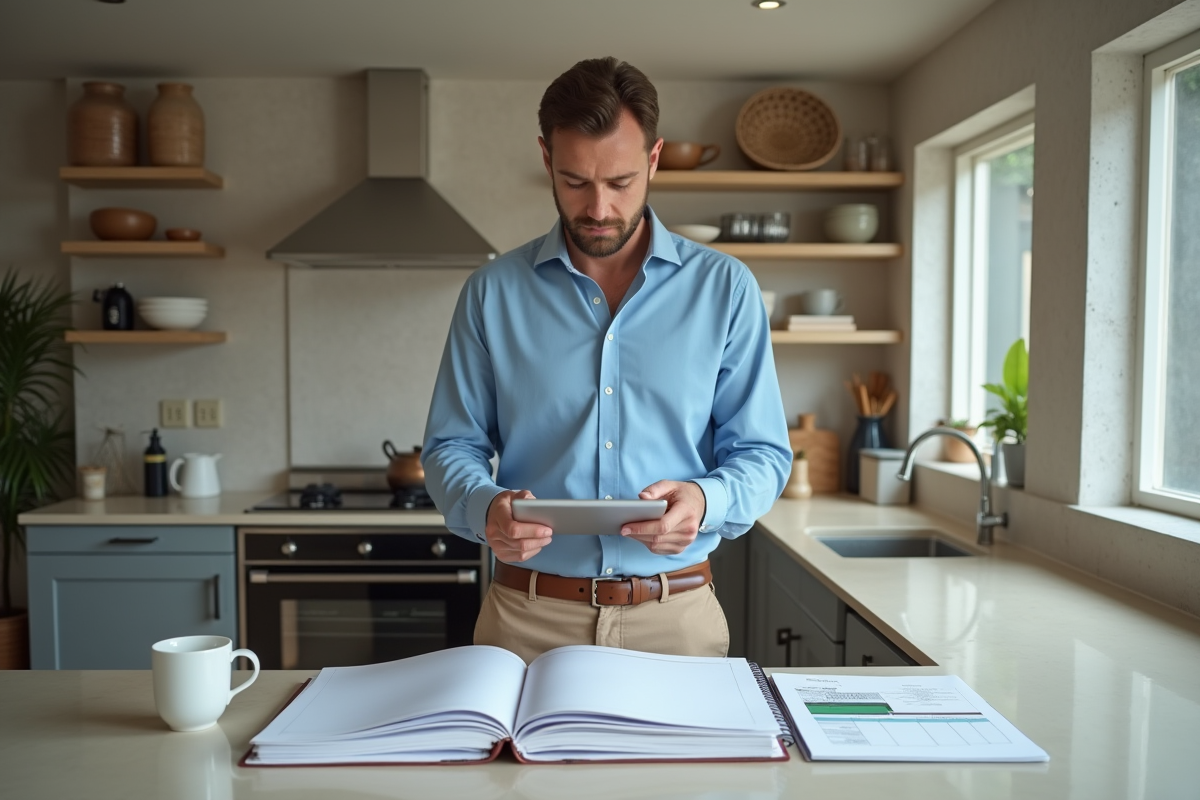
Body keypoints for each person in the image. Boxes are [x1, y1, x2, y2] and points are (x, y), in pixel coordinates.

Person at [422, 56, 791, 664]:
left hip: (676, 619)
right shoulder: (492, 293)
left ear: (653, 160)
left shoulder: (725, 288)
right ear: (546, 159)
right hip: (525, 621)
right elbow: (450, 447)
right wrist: (486, 507)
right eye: (575, 181)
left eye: (619, 182)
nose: (597, 208)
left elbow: (763, 454)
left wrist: (705, 501)